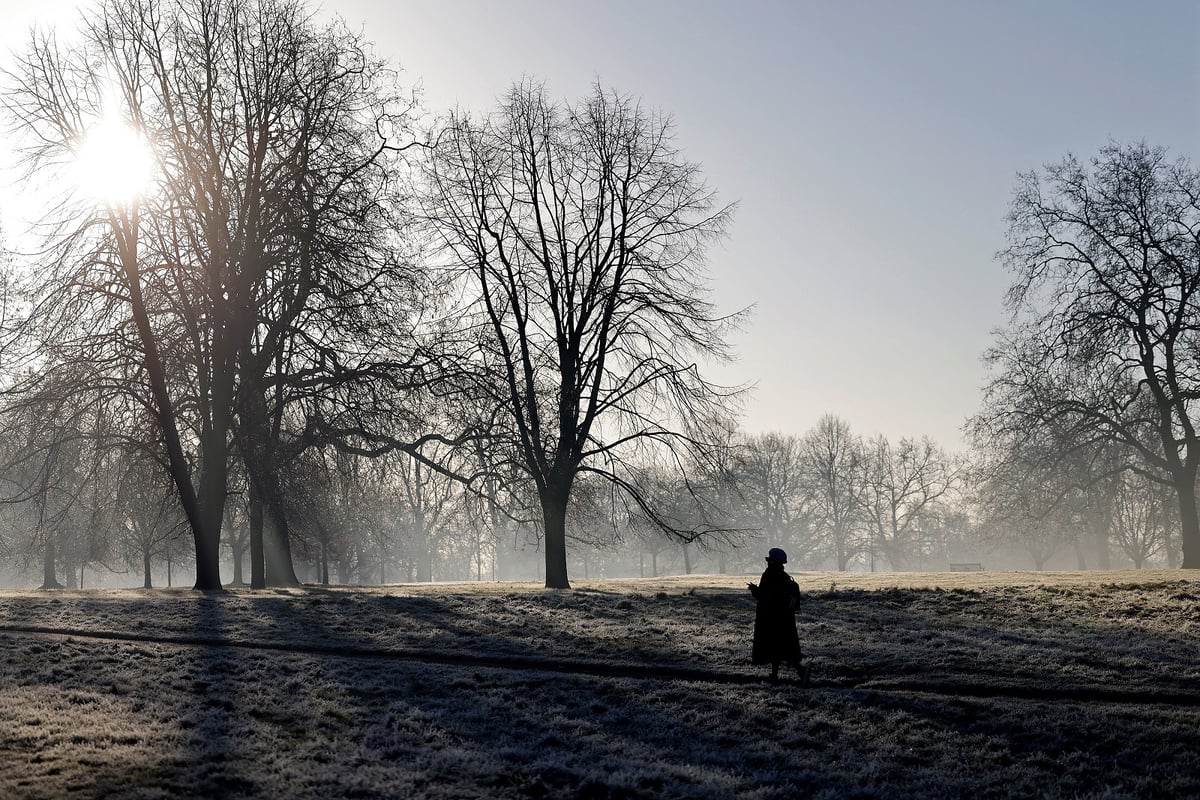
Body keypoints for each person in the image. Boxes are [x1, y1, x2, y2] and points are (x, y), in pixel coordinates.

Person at [747, 547, 810, 685]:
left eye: (770, 560)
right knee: (781, 648)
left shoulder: (769, 574)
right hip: (783, 618)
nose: (768, 563)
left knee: (776, 647)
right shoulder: (784, 576)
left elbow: (765, 596)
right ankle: (776, 675)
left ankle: (800, 670)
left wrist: (754, 590)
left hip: (771, 617)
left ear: (774, 561)